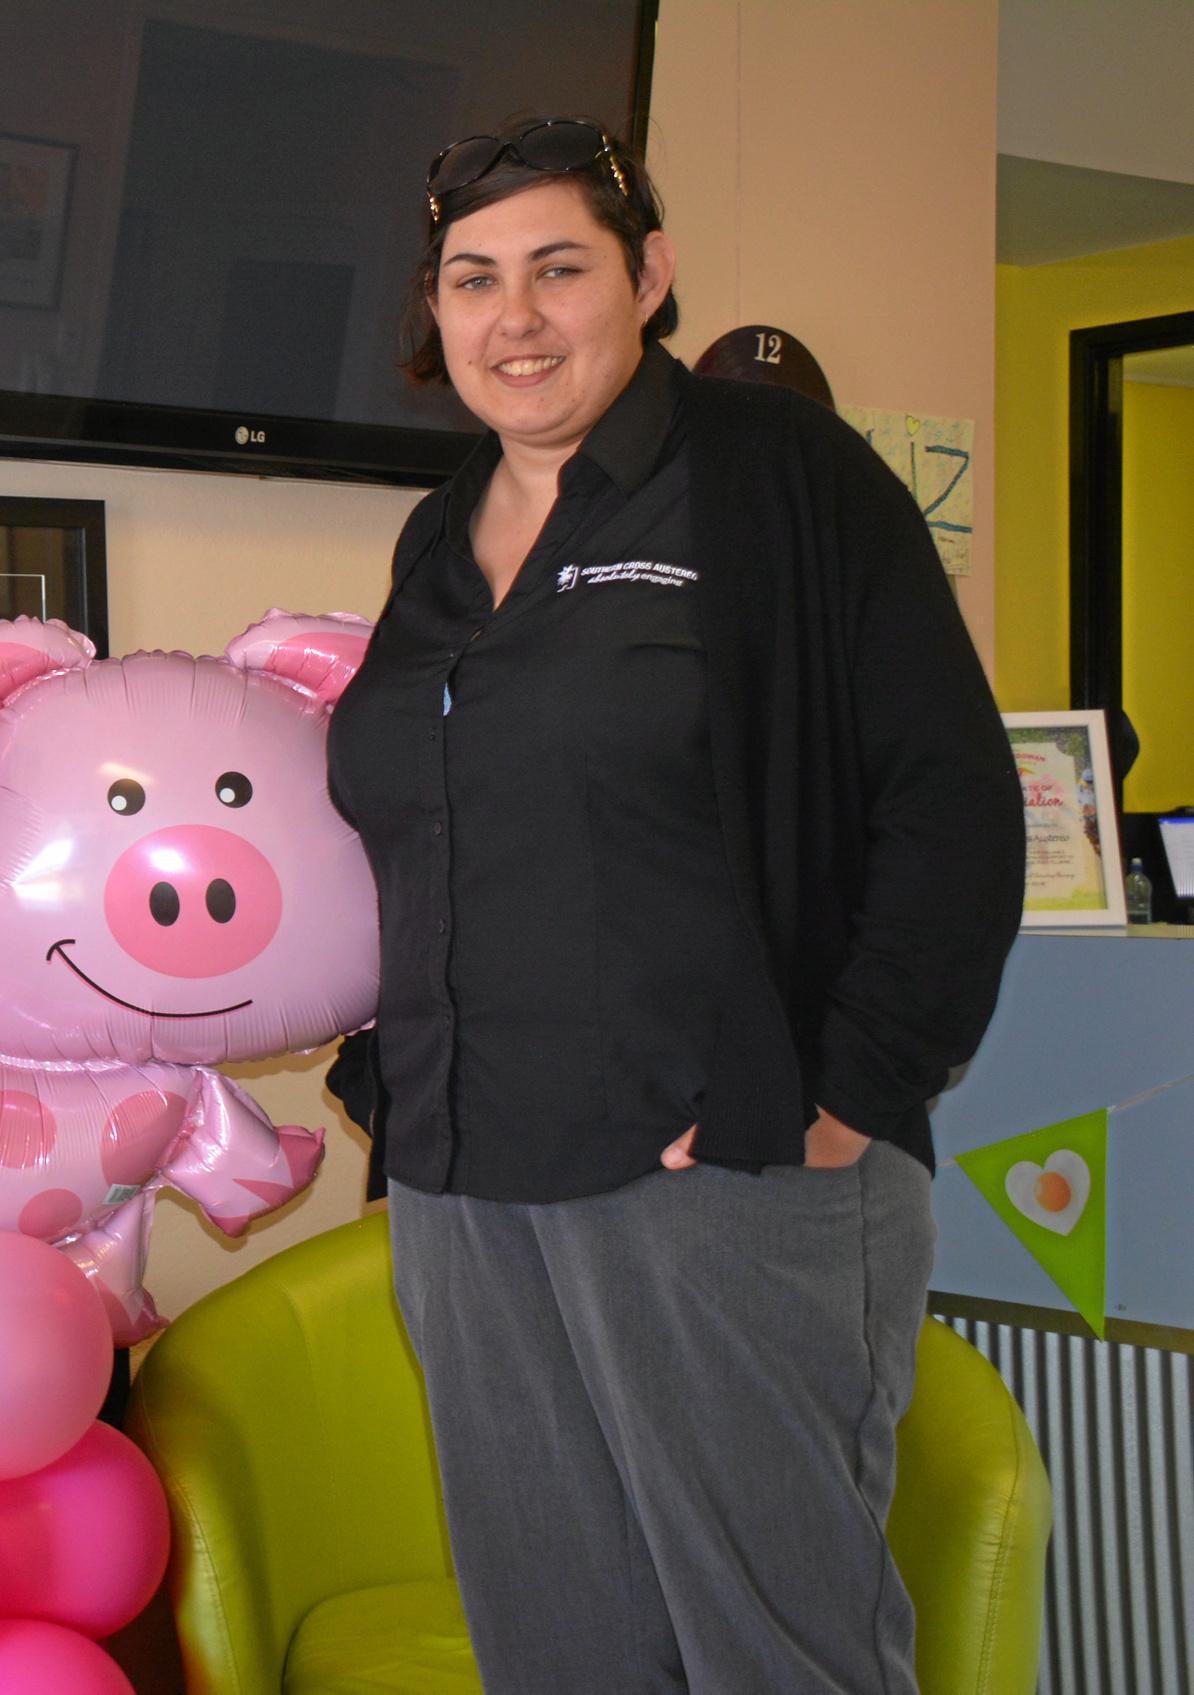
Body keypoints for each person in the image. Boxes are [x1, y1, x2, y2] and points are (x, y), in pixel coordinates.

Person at [325, 118, 1024, 1692]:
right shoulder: (443, 531)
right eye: (472, 278)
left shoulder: (777, 477)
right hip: (464, 1177)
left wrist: (848, 1090)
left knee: (774, 1653)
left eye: (557, 269)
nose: (514, 319)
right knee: (554, 1645)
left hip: (721, 1174)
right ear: (432, 313)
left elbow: (950, 800)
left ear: (647, 277)